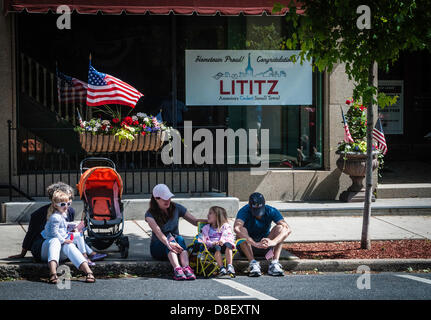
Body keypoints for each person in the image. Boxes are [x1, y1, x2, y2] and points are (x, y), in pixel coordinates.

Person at [8, 182, 106, 283]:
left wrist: (72, 231)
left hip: (61, 247)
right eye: (64, 200)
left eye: (70, 199)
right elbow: (31, 234)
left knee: (70, 245)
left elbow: (65, 231)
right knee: (55, 240)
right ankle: (53, 274)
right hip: (42, 248)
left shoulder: (69, 211)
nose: (68, 203)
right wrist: (22, 254)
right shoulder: (39, 214)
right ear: (55, 200)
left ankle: (88, 272)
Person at [145, 184, 206, 281]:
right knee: (172, 239)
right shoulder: (149, 214)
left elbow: (195, 221)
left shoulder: (177, 208)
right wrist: (169, 243)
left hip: (176, 244)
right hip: (158, 246)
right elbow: (158, 233)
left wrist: (211, 221)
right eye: (164, 198)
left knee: (179, 238)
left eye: (169, 197)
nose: (168, 200)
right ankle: (177, 269)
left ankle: (186, 268)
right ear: (156, 198)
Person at [234, 192, 291, 277]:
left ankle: (274, 264)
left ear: (264, 205)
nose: (258, 214)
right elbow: (236, 228)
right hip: (248, 247)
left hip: (266, 247)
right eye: (255, 210)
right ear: (250, 206)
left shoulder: (271, 210)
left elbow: (288, 229)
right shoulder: (244, 211)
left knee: (280, 228)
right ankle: (253, 264)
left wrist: (273, 242)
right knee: (240, 231)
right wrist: (254, 243)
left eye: (259, 210)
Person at [197, 206, 236, 276]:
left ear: (217, 216)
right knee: (216, 247)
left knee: (228, 244)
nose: (207, 215)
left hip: (224, 245)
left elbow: (228, 235)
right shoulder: (205, 228)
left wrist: (222, 241)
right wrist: (212, 243)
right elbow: (203, 240)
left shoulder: (225, 226)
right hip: (212, 247)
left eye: (210, 213)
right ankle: (222, 268)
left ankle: (230, 266)